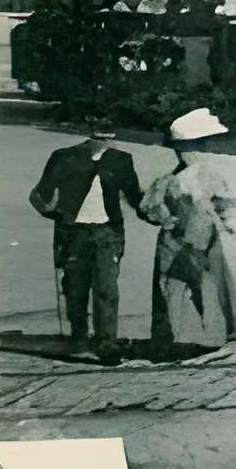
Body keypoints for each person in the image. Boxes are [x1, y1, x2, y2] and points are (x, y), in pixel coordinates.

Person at [30, 124, 148, 364]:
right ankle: (79, 341)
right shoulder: (63, 157)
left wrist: (158, 209)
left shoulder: (122, 160)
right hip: (74, 233)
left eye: (111, 136)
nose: (107, 141)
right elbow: (40, 194)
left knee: (107, 288)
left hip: (108, 232)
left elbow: (135, 197)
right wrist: (53, 214)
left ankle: (107, 345)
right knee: (76, 288)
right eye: (101, 135)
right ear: (90, 133)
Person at [142, 109, 236, 357]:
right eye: (188, 148)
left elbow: (224, 203)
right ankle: (172, 337)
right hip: (175, 241)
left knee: (210, 284)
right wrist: (167, 219)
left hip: (205, 238)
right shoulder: (168, 181)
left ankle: (216, 335)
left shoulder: (209, 177)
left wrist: (224, 221)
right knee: (173, 287)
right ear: (179, 149)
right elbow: (149, 207)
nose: (193, 153)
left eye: (198, 147)